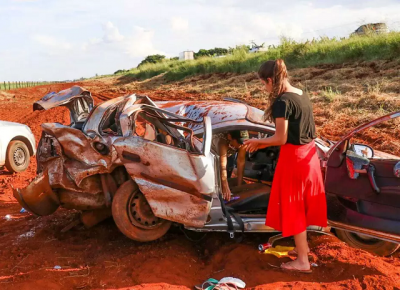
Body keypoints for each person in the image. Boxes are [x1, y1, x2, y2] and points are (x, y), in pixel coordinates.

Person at [244, 59, 327, 273]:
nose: (265, 88)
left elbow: (280, 138)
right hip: (309, 156)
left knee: (294, 208)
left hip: (294, 159)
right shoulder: (300, 94)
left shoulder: (282, 102)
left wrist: (258, 142)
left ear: (270, 80)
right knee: (301, 206)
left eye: (264, 84)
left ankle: (302, 262)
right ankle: (303, 250)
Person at [212, 130, 249, 201]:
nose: (241, 145)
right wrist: (225, 187)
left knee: (229, 170)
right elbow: (222, 166)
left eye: (243, 142)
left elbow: (241, 162)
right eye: (239, 142)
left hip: (229, 153)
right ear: (229, 137)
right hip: (214, 154)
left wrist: (239, 186)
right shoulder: (222, 142)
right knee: (218, 180)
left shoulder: (242, 143)